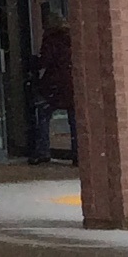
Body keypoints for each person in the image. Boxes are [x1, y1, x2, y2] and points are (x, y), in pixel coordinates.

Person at [29, 13, 75, 165]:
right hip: (72, 83)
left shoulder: (51, 39)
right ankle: (78, 153)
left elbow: (44, 62)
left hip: (54, 85)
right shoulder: (73, 38)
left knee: (43, 115)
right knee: (75, 120)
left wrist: (33, 62)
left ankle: (42, 151)